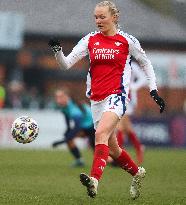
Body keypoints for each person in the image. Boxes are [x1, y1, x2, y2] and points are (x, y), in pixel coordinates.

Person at [48, 0, 165, 199]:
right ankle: (137, 173)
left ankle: (94, 180)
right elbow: (66, 64)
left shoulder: (127, 41)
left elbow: (146, 63)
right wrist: (57, 51)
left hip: (117, 96)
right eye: (96, 17)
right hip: (96, 100)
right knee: (113, 149)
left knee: (100, 134)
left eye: (102, 17)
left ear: (114, 17)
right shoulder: (90, 39)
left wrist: (153, 90)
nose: (98, 21)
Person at [53, 88, 95, 167]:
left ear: (67, 97)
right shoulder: (64, 106)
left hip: (92, 127)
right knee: (69, 137)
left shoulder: (73, 109)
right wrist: (68, 129)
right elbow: (66, 116)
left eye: (60, 97)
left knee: (99, 152)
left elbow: (77, 127)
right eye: (56, 97)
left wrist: (61, 141)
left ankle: (116, 161)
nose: (58, 99)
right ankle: (79, 160)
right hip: (85, 127)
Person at [116, 60, 147, 165]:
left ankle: (118, 156)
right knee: (127, 128)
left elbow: (143, 78)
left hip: (128, 100)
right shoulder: (116, 61)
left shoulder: (132, 65)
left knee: (120, 126)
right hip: (118, 97)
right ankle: (139, 148)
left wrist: (132, 86)